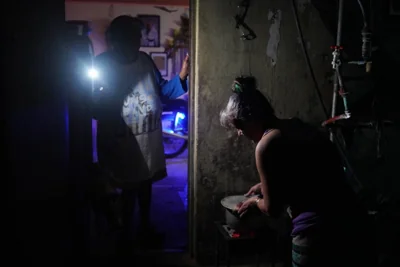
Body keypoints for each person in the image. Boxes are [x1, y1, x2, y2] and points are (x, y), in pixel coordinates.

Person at [219, 76, 375, 267]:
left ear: (251, 120)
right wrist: (265, 185)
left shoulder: (265, 145)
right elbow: (307, 174)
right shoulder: (295, 124)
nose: (240, 133)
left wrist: (254, 202)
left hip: (316, 233)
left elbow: (272, 209)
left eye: (239, 127)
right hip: (352, 220)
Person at [92, 15, 189, 249]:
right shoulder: (102, 64)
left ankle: (144, 228)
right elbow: (93, 104)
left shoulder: (145, 60)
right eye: (132, 37)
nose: (137, 42)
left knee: (145, 186)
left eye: (138, 37)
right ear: (116, 40)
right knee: (126, 190)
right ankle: (125, 237)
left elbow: (164, 90)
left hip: (147, 140)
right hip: (121, 141)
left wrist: (183, 75)